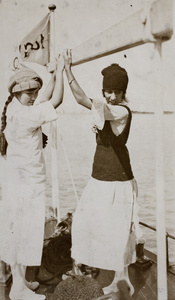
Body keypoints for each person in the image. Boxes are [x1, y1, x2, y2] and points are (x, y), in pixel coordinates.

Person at [63, 49, 141, 295]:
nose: (112, 96)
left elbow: (87, 102)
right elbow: (83, 100)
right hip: (99, 177)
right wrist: (66, 69)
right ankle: (92, 268)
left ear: (123, 93)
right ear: (104, 90)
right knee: (84, 223)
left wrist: (68, 70)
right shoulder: (105, 106)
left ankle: (121, 280)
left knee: (117, 231)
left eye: (117, 92)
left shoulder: (121, 111)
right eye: (108, 91)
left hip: (118, 179)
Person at [0, 55, 64, 300]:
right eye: (29, 92)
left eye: (34, 91)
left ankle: (21, 282)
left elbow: (45, 97)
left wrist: (54, 76)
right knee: (25, 234)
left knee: (21, 233)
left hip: (20, 183)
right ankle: (18, 290)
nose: (34, 96)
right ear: (17, 92)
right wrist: (61, 70)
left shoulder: (17, 108)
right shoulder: (24, 115)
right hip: (26, 185)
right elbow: (56, 99)